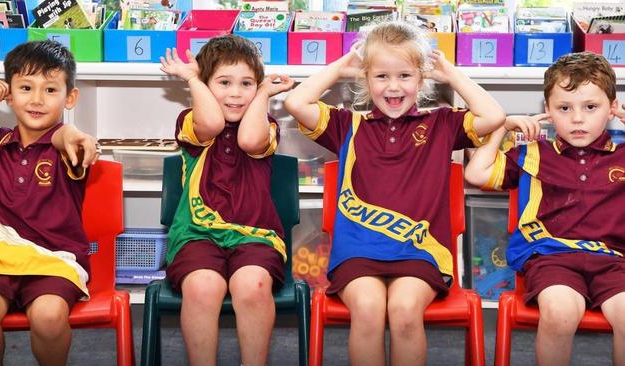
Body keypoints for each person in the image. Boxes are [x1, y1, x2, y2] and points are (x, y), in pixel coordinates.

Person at [284, 21, 505, 365]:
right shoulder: (348, 125)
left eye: (404, 76)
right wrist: (341, 67)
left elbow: (494, 116)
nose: (393, 86)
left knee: (403, 312)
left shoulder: (441, 124)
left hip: (420, 251)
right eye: (381, 76)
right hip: (358, 250)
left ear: (421, 79)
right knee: (369, 311)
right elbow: (296, 101)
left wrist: (452, 74)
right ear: (366, 79)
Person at [465, 51, 625, 365]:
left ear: (612, 109)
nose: (577, 119)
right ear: (548, 112)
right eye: (564, 108)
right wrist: (502, 128)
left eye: (591, 107)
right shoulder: (533, 154)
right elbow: (475, 173)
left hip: (613, 260)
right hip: (552, 258)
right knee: (561, 312)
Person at [158, 35, 294, 366]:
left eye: (246, 83)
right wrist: (193, 78)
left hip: (255, 235)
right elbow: (213, 123)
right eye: (223, 82)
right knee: (202, 288)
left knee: (253, 285)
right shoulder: (190, 121)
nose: (235, 93)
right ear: (205, 86)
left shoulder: (266, 124)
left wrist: (262, 93)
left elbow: (249, 140)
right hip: (196, 234)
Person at [0, 40, 100, 366]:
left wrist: (72, 134)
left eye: (50, 90)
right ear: (9, 94)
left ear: (69, 97)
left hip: (52, 262)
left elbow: (63, 138)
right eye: (26, 87)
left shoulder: (66, 146)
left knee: (48, 317)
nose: (36, 99)